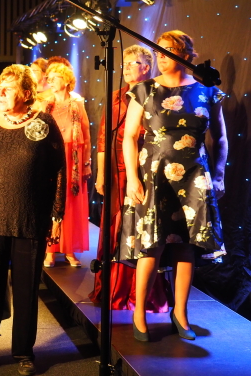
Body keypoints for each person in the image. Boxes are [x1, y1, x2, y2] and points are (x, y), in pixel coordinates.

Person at [119, 30, 227, 341]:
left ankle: (180, 312)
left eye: (168, 51)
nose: (162, 57)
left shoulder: (207, 91)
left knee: (185, 244)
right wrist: (132, 177)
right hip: (155, 176)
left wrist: (219, 175)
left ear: (186, 55)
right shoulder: (144, 90)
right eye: (159, 51)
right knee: (151, 244)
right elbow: (129, 137)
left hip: (194, 176)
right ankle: (139, 312)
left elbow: (221, 137)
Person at [0, 64, 66, 374]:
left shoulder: (44, 123)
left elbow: (59, 170)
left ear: (26, 93)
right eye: (0, 88)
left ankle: (23, 352)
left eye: (8, 89)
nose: (1, 93)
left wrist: (57, 214)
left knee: (25, 291)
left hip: (29, 219)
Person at [88, 46, 170, 312]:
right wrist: (101, 174)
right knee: (114, 226)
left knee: (137, 228)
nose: (126, 68)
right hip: (116, 170)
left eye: (132, 63)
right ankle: (112, 287)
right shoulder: (115, 97)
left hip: (143, 169)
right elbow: (103, 138)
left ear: (146, 67)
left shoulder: (156, 93)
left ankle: (138, 292)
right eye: (124, 63)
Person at [44, 61, 91, 267]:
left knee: (71, 203)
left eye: (55, 78)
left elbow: (86, 136)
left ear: (66, 80)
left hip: (73, 159)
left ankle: (69, 249)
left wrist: (86, 163)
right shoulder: (46, 105)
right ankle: (50, 249)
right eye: (49, 78)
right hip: (52, 158)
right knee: (51, 200)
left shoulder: (77, 103)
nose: (51, 81)